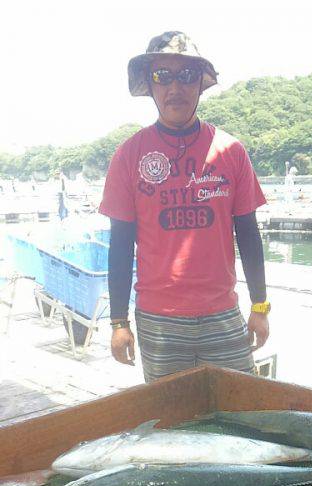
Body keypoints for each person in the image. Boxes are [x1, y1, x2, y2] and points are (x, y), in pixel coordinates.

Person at [99, 31, 270, 382]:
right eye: (163, 75)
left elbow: (249, 234)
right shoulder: (129, 155)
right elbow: (120, 245)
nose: (175, 87)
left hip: (222, 314)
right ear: (150, 83)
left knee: (240, 409)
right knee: (171, 421)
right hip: (159, 321)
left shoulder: (230, 151)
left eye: (187, 75)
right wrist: (118, 322)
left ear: (200, 84)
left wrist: (259, 307)